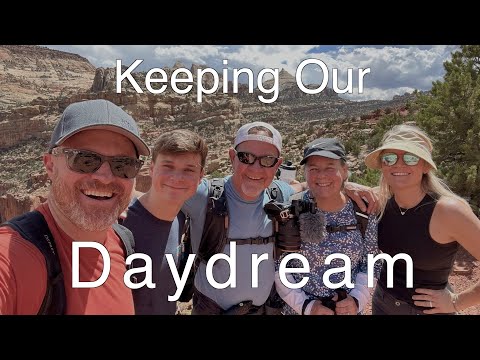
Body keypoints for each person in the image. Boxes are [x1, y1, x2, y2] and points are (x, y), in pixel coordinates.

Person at [181, 121, 378, 315]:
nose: (256, 168)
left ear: (278, 165)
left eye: (267, 160)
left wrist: (346, 185)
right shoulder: (203, 195)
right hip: (214, 309)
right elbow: (162, 193)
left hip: (267, 309)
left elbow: (313, 184)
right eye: (246, 157)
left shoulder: (281, 195)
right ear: (232, 157)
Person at [0, 99, 150, 315]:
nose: (105, 177)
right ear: (50, 165)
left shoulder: (123, 242)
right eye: (85, 160)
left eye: (123, 165)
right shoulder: (13, 258)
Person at [365, 124, 480, 315]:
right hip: (383, 303)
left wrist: (457, 302)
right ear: (383, 165)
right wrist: (350, 186)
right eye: (390, 158)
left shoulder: (448, 210)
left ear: (425, 165)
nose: (399, 164)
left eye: (410, 158)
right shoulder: (381, 201)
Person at [274, 138, 382, 315]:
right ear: (305, 172)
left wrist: (356, 300)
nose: (321, 175)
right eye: (313, 169)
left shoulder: (362, 212)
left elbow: (370, 263)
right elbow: (279, 268)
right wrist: (307, 306)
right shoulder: (291, 209)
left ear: (344, 171)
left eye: (330, 168)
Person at [121, 129, 206, 315]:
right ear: (151, 169)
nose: (176, 178)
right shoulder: (121, 222)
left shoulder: (181, 218)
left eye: (188, 170)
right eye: (167, 166)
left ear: (201, 177)